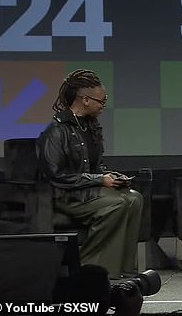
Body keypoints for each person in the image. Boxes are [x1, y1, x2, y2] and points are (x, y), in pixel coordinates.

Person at [37, 69, 143, 279]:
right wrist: (98, 179)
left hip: (88, 189)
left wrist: (109, 176)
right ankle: (91, 270)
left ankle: (125, 269)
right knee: (117, 203)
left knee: (134, 198)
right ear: (85, 100)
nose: (103, 105)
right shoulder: (57, 131)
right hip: (67, 195)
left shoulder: (89, 126)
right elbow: (56, 174)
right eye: (101, 101)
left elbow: (94, 167)